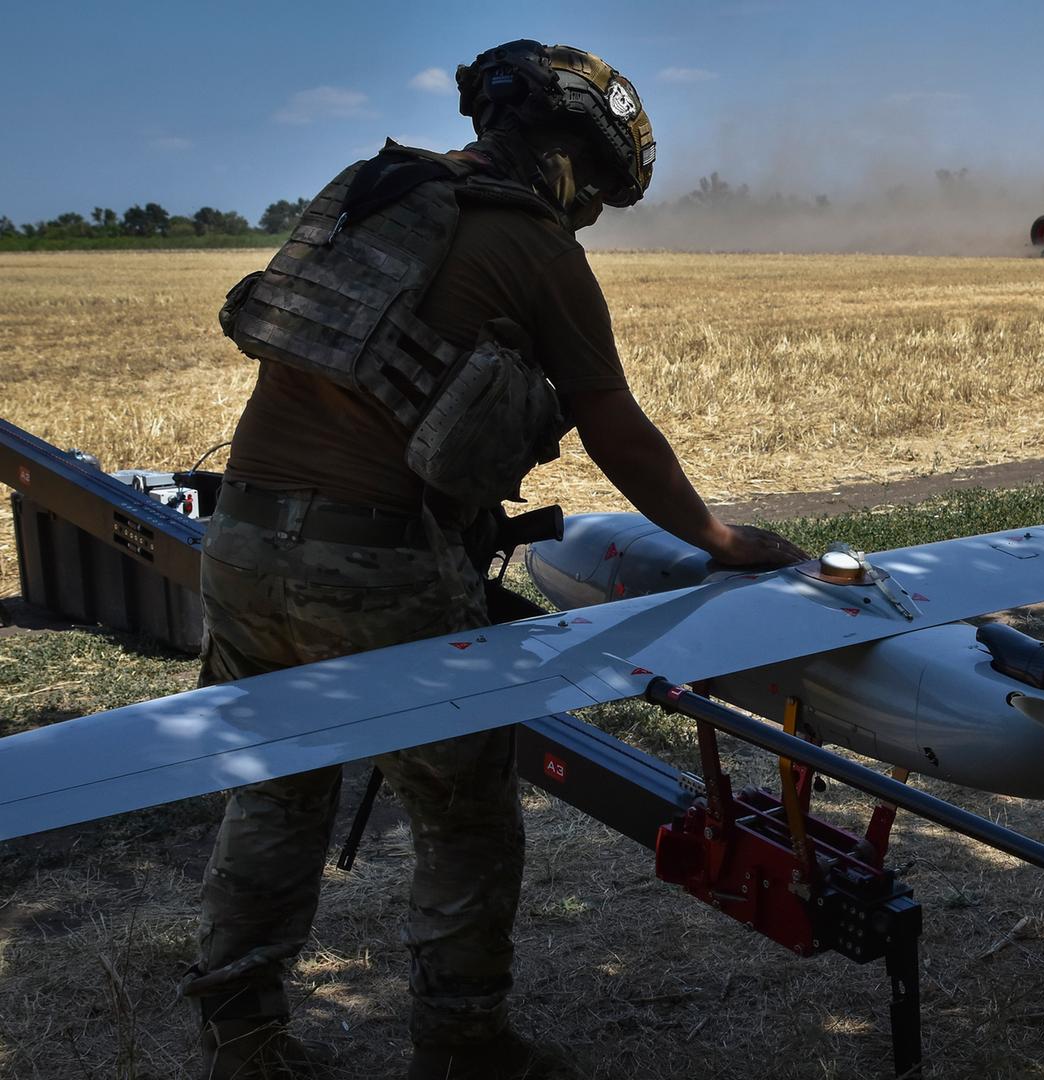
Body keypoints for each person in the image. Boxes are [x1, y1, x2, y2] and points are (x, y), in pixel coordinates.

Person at [183, 40, 807, 1080]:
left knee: (277, 790)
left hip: (242, 541)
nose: (591, 212)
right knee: (465, 812)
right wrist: (722, 542)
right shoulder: (533, 244)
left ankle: (244, 1042)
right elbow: (617, 429)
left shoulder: (375, 193)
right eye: (597, 190)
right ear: (570, 157)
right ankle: (463, 1044)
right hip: (377, 561)